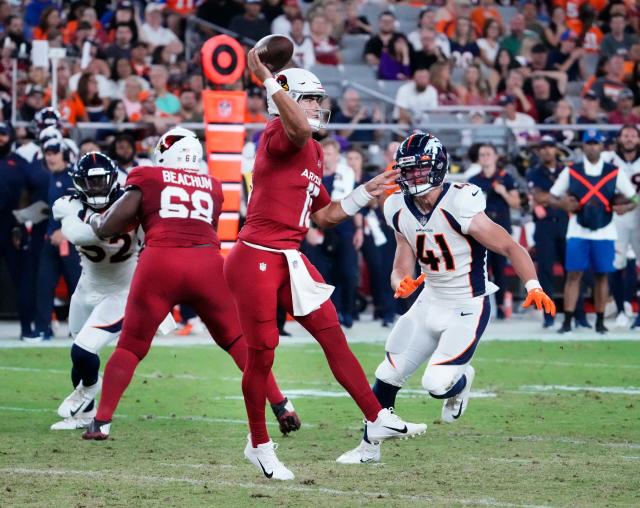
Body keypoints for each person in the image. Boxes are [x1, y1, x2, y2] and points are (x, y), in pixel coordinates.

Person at [223, 52, 427, 481]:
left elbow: (323, 215)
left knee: (333, 334)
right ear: (288, 99)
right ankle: (258, 444)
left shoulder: (313, 149)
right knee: (261, 356)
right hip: (256, 255)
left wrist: (365, 193)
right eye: (310, 99)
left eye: (320, 99)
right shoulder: (280, 131)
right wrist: (266, 80)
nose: (318, 107)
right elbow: (294, 125)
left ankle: (376, 415)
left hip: (289, 258)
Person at [336, 132, 555, 464]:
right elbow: (402, 260)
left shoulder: (460, 201)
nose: (413, 177)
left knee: (436, 383)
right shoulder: (396, 206)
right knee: (387, 373)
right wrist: (400, 282)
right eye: (407, 170)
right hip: (429, 301)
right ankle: (369, 449)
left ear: (437, 168)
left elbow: (510, 246)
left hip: (468, 304)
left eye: (419, 169)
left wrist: (533, 285)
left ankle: (463, 379)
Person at [82, 127, 301, 441]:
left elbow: (109, 227)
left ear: (165, 153)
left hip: (161, 263)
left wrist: (94, 220)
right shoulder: (213, 186)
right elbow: (199, 227)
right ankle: (281, 404)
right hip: (208, 265)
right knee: (239, 341)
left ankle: (100, 423)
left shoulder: (147, 176)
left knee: (131, 346)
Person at [49, 152, 139, 430]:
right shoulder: (67, 205)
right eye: (91, 183)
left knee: (84, 350)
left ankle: (90, 390)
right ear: (78, 184)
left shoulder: (131, 205)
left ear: (113, 181)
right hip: (87, 287)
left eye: (101, 182)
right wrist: (106, 226)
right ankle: (84, 415)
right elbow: (77, 235)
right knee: (78, 354)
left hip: (121, 291)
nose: (97, 188)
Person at [549, 130, 638, 334]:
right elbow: (552, 197)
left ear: (602, 146)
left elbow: (634, 198)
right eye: (588, 143)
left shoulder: (613, 172)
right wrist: (563, 205)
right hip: (578, 229)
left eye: (595, 143)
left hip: (605, 231)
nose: (592, 147)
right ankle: (567, 321)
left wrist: (625, 208)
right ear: (583, 147)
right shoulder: (572, 171)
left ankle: (599, 321)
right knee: (573, 274)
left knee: (602, 275)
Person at [469, 144, 521, 319]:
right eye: (482, 154)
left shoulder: (505, 178)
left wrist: (504, 193)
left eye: (488, 154)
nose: (485, 157)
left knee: (500, 269)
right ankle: (482, 306)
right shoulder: (473, 179)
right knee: (481, 268)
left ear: (496, 157)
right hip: (481, 229)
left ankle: (500, 306)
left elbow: (516, 203)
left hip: (500, 227)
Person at [526, 136, 570, 328]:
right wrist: (560, 200)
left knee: (573, 270)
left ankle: (575, 314)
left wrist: (549, 198)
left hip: (565, 223)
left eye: (549, 147)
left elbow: (571, 195)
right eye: (542, 148)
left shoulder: (566, 170)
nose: (545, 151)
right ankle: (548, 315)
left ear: (555, 149)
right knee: (545, 270)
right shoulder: (533, 172)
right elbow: (538, 196)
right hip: (544, 225)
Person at [602, 125, 640, 328]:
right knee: (616, 262)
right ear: (618, 138)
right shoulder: (608, 159)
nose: (629, 139)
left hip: (639, 215)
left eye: (633, 135)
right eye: (626, 135)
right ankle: (620, 307)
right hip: (617, 216)